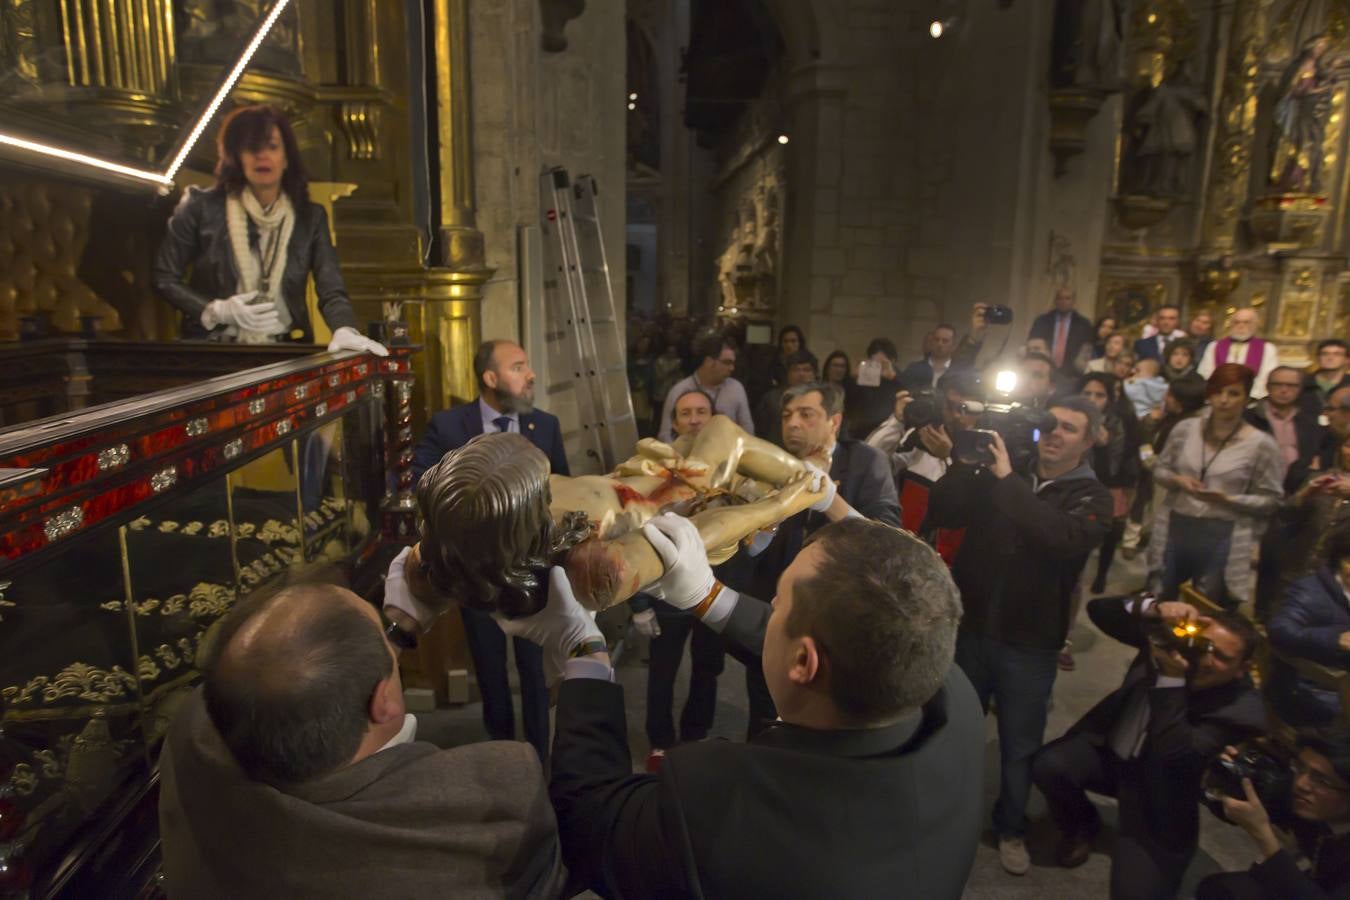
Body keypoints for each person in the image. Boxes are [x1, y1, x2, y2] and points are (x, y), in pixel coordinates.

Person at [497, 513, 985, 899]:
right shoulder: (951, 698)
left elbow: (586, 821)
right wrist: (707, 595)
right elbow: (849, 645)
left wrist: (581, 650)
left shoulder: (718, 809)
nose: (769, 607)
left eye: (777, 603)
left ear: (804, 661)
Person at [159, 582, 568, 899]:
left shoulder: (192, 736)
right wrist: (588, 651)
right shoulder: (501, 801)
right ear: (383, 701)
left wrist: (398, 628)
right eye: (389, 655)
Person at [926, 394, 1114, 875]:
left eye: (1069, 429)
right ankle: (943, 815)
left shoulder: (1092, 496)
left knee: (1019, 745)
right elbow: (946, 511)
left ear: (1089, 440)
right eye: (1050, 425)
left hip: (1029, 642)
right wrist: (963, 463)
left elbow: (1059, 538)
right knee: (956, 728)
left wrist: (1006, 480)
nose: (1054, 434)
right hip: (973, 625)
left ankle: (1010, 827)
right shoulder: (1005, 465)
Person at [1032, 594, 1266, 898]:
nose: (1207, 660)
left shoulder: (1241, 710)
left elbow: (1175, 758)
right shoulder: (1171, 643)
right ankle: (1082, 826)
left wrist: (1172, 680)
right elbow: (1099, 611)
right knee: (1049, 766)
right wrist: (1153, 608)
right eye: (1206, 647)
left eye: (1222, 657)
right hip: (1110, 755)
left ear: (1242, 668)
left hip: (1158, 793)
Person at [409, 339, 566, 761]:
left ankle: (540, 756)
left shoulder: (545, 426)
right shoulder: (448, 427)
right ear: (490, 378)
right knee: (491, 670)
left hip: (533, 573)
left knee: (536, 670)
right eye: (519, 367)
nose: (530, 374)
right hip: (474, 576)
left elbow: (565, 492)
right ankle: (501, 757)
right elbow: (419, 484)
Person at [726, 381, 901, 737]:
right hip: (774, 616)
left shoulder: (866, 461)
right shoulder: (766, 464)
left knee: (828, 724)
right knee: (765, 716)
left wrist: (829, 501)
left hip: (840, 625)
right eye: (787, 415)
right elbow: (745, 551)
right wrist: (764, 524)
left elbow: (888, 541)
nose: (793, 423)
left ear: (834, 421)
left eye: (807, 415)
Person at [153, 104, 386, 356]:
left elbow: (331, 290)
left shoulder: (310, 217)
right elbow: (165, 277)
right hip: (213, 352)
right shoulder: (200, 206)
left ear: (286, 158)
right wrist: (214, 310)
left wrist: (344, 329)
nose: (262, 156)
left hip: (285, 351)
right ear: (236, 156)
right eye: (252, 148)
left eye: (272, 147)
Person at [629, 388, 728, 770]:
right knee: (663, 670)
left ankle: (695, 736)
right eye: (685, 413)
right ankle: (660, 743)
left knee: (708, 667)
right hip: (666, 589)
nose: (695, 419)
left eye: (702, 411)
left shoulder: (730, 464)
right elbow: (631, 532)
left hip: (716, 587)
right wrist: (638, 604)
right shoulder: (649, 469)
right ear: (673, 422)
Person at [1150, 363, 1287, 611]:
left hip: (1222, 530)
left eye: (1233, 394)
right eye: (1218, 392)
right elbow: (1160, 469)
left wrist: (1228, 499)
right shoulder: (1185, 429)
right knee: (1161, 596)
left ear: (1246, 399)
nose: (1223, 400)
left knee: (1208, 605)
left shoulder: (1260, 444)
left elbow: (1272, 500)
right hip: (1178, 522)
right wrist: (1178, 480)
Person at [1196, 729, 1350, 900]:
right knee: (1218, 887)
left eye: (1322, 780)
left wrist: (1264, 836)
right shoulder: (1310, 798)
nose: (1301, 784)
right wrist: (1232, 777)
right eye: (1300, 767)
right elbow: (1241, 811)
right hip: (1316, 881)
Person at [867, 370, 982, 550]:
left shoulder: (985, 450)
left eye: (964, 408)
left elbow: (962, 507)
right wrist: (897, 420)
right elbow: (871, 461)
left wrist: (949, 459)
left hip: (947, 556)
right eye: (950, 406)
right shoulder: (921, 436)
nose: (956, 415)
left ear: (980, 410)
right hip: (897, 543)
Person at [1267, 524, 1350, 726]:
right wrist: (1335, 639)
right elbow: (1280, 630)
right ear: (1340, 560)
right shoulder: (1310, 591)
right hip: (1317, 690)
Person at [1083, 373, 1142, 594]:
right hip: (1081, 482)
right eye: (1087, 393)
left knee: (1109, 534)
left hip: (1110, 483)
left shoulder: (1118, 419)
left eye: (1099, 395)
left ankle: (1101, 575)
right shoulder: (1073, 414)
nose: (1092, 399)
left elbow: (1117, 458)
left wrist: (1102, 439)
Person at [658, 333, 754, 442]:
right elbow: (665, 435)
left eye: (733, 363)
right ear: (709, 362)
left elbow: (748, 431)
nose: (732, 368)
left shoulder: (736, 388)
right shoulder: (679, 391)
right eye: (727, 363)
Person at [1247, 365, 1328, 493]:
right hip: (1257, 487)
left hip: (1299, 490)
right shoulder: (1250, 418)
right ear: (1267, 387)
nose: (1284, 390)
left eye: (1291, 385)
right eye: (1277, 384)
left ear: (1300, 389)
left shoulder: (1310, 421)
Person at [1199, 307, 1282, 399]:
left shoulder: (1267, 349)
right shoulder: (1214, 346)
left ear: (1255, 325)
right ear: (1230, 324)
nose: (1241, 325)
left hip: (1254, 398)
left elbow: (1268, 377)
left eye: (1246, 322)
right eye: (1236, 322)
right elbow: (1205, 373)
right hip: (1221, 397)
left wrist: (1250, 397)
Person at [845, 336, 904, 439]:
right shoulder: (864, 376)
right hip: (861, 433)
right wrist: (853, 378)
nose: (878, 367)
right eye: (874, 362)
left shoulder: (898, 379)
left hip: (888, 433)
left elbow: (907, 398)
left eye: (883, 363)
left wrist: (893, 377)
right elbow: (849, 402)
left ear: (893, 361)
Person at [754, 349, 817, 444]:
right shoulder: (772, 399)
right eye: (796, 369)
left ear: (814, 374)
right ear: (788, 373)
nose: (801, 374)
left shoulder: (821, 400)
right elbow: (760, 432)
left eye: (806, 370)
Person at [1028, 286, 1095, 375]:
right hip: (1043, 371)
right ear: (1055, 301)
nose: (1063, 302)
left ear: (1073, 301)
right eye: (1060, 298)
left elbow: (1087, 352)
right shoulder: (1042, 321)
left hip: (1072, 375)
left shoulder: (1084, 324)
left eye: (1067, 298)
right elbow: (1032, 345)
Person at [901, 322, 962, 390]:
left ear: (953, 345)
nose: (940, 344)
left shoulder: (960, 373)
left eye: (945, 341)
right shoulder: (914, 369)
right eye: (936, 339)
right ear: (932, 342)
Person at [1302, 338, 1350, 417]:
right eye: (1325, 354)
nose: (1330, 358)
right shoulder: (1303, 382)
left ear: (1347, 360)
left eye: (1337, 354)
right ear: (1318, 358)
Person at [768, 324, 807, 389]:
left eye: (793, 341)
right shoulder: (773, 363)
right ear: (781, 343)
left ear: (800, 343)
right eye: (785, 341)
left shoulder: (808, 362)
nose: (789, 345)